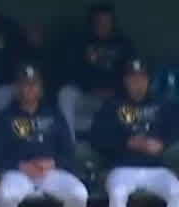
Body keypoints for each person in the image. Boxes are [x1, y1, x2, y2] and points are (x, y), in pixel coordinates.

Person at [91, 58, 179, 207]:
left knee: (177, 192)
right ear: (126, 81)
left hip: (155, 168)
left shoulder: (160, 103)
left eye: (141, 78)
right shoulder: (113, 104)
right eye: (133, 78)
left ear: (148, 80)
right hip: (123, 167)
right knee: (117, 193)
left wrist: (161, 143)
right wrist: (127, 143)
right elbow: (98, 136)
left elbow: (178, 129)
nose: (137, 82)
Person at [0, 65, 89, 207]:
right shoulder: (7, 116)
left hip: (49, 172)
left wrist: (53, 163)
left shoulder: (53, 113)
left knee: (79, 194)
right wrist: (21, 165)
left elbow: (68, 150)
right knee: (6, 196)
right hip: (19, 172)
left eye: (33, 84)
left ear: (40, 88)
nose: (29, 89)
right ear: (18, 88)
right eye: (25, 84)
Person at [58, 2, 135, 135]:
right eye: (99, 21)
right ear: (92, 22)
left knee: (120, 114)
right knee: (65, 94)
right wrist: (91, 88)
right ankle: (69, 145)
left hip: (112, 100)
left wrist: (114, 90)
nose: (103, 25)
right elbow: (69, 73)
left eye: (107, 21)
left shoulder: (123, 44)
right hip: (86, 97)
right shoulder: (79, 42)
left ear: (113, 22)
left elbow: (132, 74)